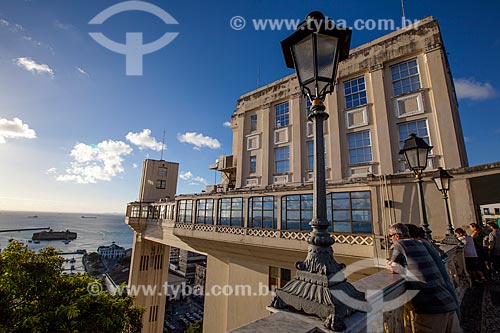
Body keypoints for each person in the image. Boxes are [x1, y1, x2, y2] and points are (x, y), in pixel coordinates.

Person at [386, 223, 462, 333]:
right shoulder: (421, 244)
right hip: (447, 302)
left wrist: (390, 264)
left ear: (397, 236)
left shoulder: (401, 244)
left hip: (430, 308)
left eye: (390, 236)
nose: (390, 239)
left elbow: (394, 267)